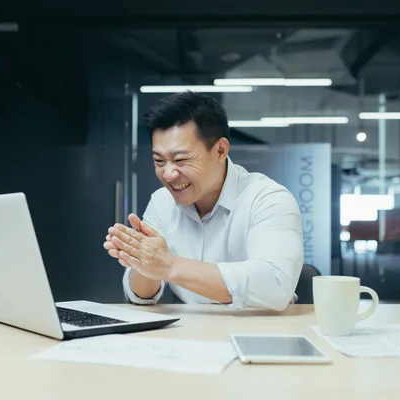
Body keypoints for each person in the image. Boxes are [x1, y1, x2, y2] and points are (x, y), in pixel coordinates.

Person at [103, 91, 303, 311]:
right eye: (159, 161)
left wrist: (171, 267)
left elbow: (275, 286)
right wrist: (143, 263)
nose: (168, 174)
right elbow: (140, 296)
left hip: (259, 334)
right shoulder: (162, 202)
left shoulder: (267, 199)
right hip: (191, 334)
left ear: (220, 150)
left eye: (181, 159)